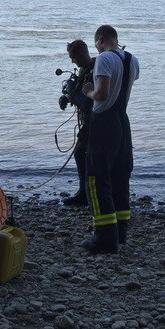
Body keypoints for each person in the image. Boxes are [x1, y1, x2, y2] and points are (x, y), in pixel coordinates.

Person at [80, 24, 139, 254]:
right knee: (120, 177)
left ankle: (104, 239)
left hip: (104, 122)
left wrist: (87, 91)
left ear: (101, 39)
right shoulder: (132, 59)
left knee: (96, 180)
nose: (96, 47)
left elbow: (102, 93)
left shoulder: (104, 58)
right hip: (123, 121)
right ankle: (120, 233)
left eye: (96, 43)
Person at [62, 39, 95, 207]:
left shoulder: (95, 70)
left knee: (81, 153)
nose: (72, 61)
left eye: (73, 57)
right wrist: (66, 97)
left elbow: (89, 103)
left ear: (81, 54)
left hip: (95, 121)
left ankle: (85, 194)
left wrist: (71, 92)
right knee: (82, 154)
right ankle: (86, 193)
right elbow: (79, 94)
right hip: (88, 121)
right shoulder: (84, 70)